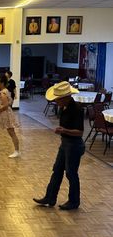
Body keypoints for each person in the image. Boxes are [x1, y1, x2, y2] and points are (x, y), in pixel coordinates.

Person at [33, 81, 85, 210]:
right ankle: (50, 197)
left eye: (58, 99)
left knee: (71, 173)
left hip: (74, 145)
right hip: (65, 143)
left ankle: (74, 201)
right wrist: (63, 132)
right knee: (57, 170)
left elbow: (80, 132)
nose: (56, 101)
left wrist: (64, 131)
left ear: (66, 97)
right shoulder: (63, 107)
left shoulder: (77, 109)